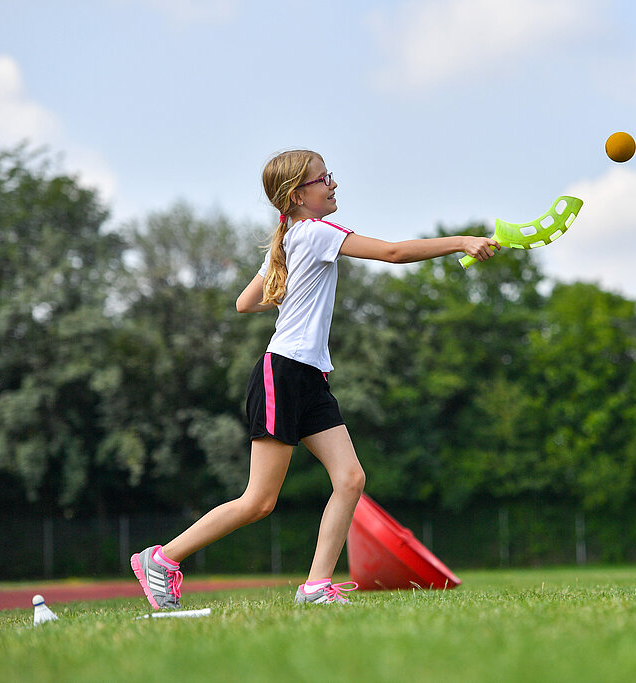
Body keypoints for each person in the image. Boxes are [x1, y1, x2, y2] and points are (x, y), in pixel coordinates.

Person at [131, 149, 499, 607]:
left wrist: (290, 283)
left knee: (350, 479)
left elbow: (246, 302)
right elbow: (394, 252)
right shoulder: (316, 233)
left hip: (309, 376)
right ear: (297, 195)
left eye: (329, 176)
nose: (333, 184)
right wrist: (462, 241)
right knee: (259, 502)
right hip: (283, 372)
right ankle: (162, 559)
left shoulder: (289, 241)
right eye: (323, 179)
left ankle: (315, 587)